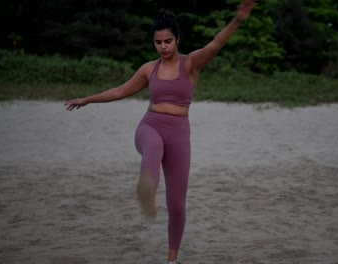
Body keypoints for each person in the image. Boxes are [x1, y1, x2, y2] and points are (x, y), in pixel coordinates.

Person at [64, 1, 255, 263]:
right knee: (153, 147)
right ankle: (148, 191)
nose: (163, 47)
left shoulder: (191, 65)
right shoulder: (148, 69)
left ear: (177, 40)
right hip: (150, 127)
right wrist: (87, 99)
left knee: (177, 205)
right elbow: (120, 91)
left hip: (179, 135)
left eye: (167, 41)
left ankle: (172, 259)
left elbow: (216, 44)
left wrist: (237, 20)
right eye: (158, 42)